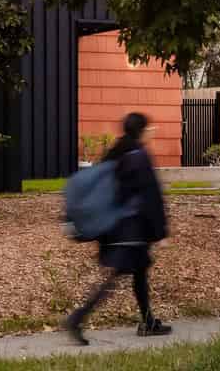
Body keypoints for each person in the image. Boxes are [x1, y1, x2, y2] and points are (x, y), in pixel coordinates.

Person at [64, 112, 171, 345]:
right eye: (149, 129)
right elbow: (151, 196)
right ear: (142, 131)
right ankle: (77, 319)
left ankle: (149, 321)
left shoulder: (117, 152)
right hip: (130, 230)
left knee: (140, 273)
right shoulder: (139, 156)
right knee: (116, 277)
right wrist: (161, 232)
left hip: (114, 227)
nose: (152, 132)